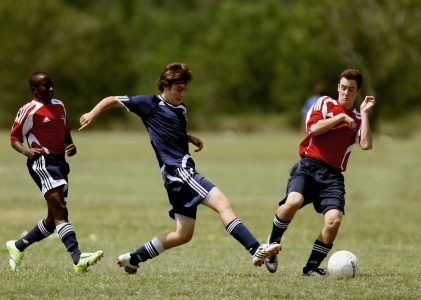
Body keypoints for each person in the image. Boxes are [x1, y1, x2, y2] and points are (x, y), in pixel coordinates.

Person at [79, 62, 281, 274]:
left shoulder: (180, 109)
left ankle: (134, 258)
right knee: (223, 203)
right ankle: (255, 249)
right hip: (180, 172)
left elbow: (169, 132)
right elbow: (111, 100)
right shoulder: (149, 103)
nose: (182, 94)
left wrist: (188, 138)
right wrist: (92, 114)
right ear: (165, 85)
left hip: (174, 177)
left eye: (185, 89)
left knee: (183, 234)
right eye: (178, 89)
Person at [265, 69, 375, 276]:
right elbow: (313, 129)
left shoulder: (359, 118)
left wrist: (366, 113)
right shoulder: (324, 103)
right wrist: (341, 117)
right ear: (337, 87)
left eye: (351, 89)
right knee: (293, 202)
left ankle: (312, 267)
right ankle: (272, 244)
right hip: (308, 166)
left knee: (334, 220)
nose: (346, 93)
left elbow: (366, 144)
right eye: (343, 88)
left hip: (333, 176)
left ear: (357, 92)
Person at [6, 72, 104, 273]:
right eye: (45, 86)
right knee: (61, 210)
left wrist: (71, 145)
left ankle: (17, 246)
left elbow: (65, 131)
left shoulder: (60, 105)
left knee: (53, 220)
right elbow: (14, 137)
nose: (51, 89)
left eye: (52, 85)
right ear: (35, 90)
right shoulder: (29, 110)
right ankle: (77, 258)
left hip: (60, 163)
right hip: (42, 162)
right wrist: (26, 150)